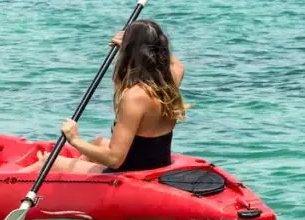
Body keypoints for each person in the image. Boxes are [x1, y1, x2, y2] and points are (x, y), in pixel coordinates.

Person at [23, 19, 187, 174]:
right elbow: (172, 61)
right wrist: (137, 43)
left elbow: (114, 160)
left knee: (48, 162)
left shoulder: (134, 97)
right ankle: (75, 183)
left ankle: (4, 181)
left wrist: (74, 139)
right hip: (157, 162)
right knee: (98, 142)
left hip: (131, 170)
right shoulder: (173, 75)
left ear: (130, 51)